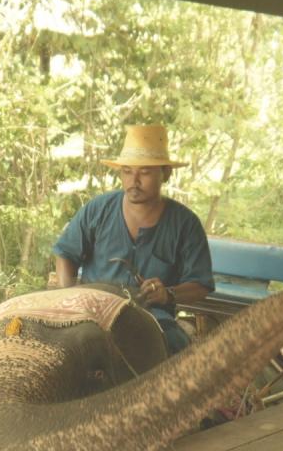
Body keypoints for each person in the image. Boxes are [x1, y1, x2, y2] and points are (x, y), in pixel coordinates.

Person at [53, 124, 214, 355]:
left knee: (178, 353)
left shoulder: (185, 223)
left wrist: (168, 294)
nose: (133, 181)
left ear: (166, 173)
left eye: (144, 172)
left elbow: (200, 285)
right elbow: (65, 254)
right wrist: (68, 300)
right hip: (92, 311)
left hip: (153, 318)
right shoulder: (98, 209)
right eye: (127, 172)